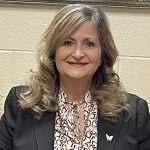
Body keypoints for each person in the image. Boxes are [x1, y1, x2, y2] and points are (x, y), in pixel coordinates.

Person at [0, 4, 150, 150]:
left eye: (89, 44)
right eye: (68, 43)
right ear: (54, 51)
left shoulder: (133, 113)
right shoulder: (21, 104)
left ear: (102, 55)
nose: (78, 53)